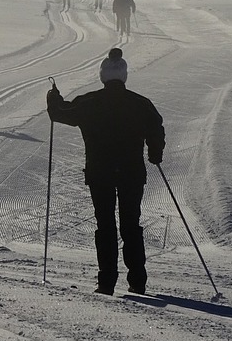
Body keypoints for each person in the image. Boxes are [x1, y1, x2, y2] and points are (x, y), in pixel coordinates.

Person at [46, 48, 165, 296]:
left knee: (106, 225)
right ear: (124, 76)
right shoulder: (140, 103)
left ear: (102, 76)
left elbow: (60, 113)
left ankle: (107, 282)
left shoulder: (89, 103)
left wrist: (53, 97)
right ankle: (138, 281)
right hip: (132, 173)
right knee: (131, 224)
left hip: (100, 173)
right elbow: (156, 128)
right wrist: (155, 154)